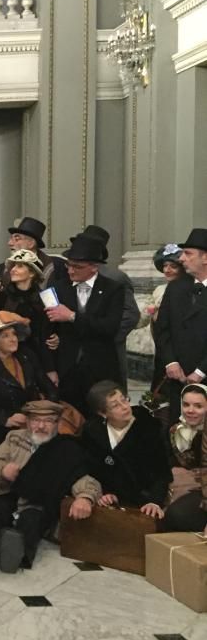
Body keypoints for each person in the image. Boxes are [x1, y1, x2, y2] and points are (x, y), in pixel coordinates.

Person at [0, 401, 101, 572]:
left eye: (48, 421)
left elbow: (83, 479)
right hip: (6, 491)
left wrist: (85, 497)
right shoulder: (14, 438)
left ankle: (17, 555)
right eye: (36, 420)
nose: (41, 426)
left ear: (57, 423)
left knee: (31, 521)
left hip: (37, 501)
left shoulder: (66, 448)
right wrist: (3, 471)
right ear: (28, 422)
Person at [45, 235, 125, 416]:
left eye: (77, 267)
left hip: (100, 366)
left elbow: (109, 327)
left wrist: (72, 316)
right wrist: (53, 340)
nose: (71, 271)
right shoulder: (58, 287)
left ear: (94, 267)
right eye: (68, 265)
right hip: (67, 367)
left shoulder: (113, 289)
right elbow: (48, 326)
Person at [0, 312, 57, 451]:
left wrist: (44, 413)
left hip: (33, 428)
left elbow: (49, 388)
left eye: (14, 334)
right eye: (5, 336)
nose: (13, 339)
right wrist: (6, 420)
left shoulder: (27, 355)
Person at [80, 380, 170, 520]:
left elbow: (162, 471)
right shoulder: (92, 431)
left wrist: (155, 501)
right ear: (103, 413)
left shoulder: (149, 427)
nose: (125, 407)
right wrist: (106, 493)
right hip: (113, 500)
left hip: (146, 498)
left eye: (124, 400)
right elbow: (93, 469)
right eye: (115, 405)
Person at [72, 225, 140, 387]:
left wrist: (106, 334)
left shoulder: (116, 278)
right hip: (76, 351)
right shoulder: (69, 276)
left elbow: (131, 314)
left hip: (107, 352)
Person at [154, 228, 207, 420]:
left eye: (188, 253)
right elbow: (162, 328)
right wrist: (171, 362)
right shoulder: (175, 288)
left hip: (203, 374)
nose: (182, 259)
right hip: (178, 377)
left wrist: (201, 371)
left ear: (205, 258)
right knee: (177, 433)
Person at [0, 248, 55, 381]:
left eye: (20, 266)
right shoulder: (0, 298)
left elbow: (46, 337)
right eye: (13, 266)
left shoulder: (44, 299)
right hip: (2, 359)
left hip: (34, 361)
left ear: (32, 273)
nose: (13, 269)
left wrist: (50, 369)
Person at [136, 244, 187, 389]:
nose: (167, 270)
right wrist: (150, 311)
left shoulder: (190, 289)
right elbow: (140, 322)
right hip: (161, 350)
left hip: (181, 350)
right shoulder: (159, 290)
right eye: (165, 266)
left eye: (173, 266)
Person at [162, 383, 207, 533]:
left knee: (176, 515)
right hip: (185, 484)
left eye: (198, 406)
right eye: (186, 404)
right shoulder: (175, 429)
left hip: (203, 489)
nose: (190, 411)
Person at [0, 217, 68, 286]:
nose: (9, 243)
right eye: (10, 239)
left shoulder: (56, 267)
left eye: (17, 239)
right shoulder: (0, 270)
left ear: (31, 243)